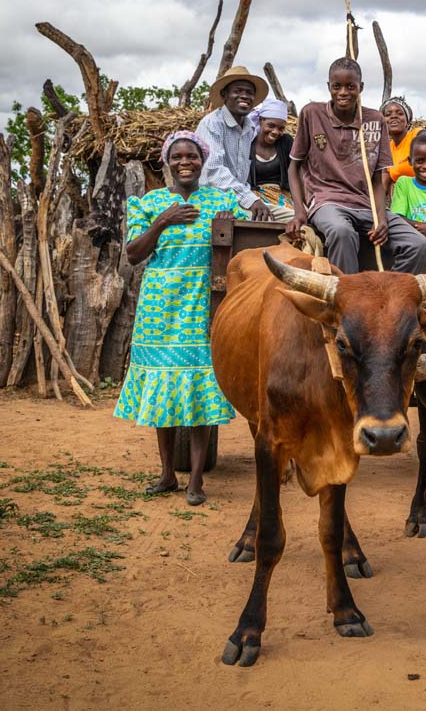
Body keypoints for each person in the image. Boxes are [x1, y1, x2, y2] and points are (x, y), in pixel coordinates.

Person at [114, 131, 246, 507]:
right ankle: (167, 474)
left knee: (200, 390)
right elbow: (134, 254)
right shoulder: (148, 203)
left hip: (203, 304)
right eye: (177, 157)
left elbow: (244, 240)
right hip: (159, 308)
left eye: (192, 156)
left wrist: (241, 218)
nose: (185, 162)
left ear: (202, 161)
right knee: (164, 391)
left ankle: (197, 481)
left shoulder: (222, 201)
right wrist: (164, 220)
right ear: (166, 162)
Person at [287, 58, 426, 274]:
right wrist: (299, 211)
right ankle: (347, 301)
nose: (343, 92)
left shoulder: (374, 119)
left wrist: (381, 218)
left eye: (350, 86)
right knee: (342, 232)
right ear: (329, 87)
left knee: (418, 244)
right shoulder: (312, 113)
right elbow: (293, 167)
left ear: (360, 87)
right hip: (327, 202)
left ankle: (389, 298)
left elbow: (378, 178)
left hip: (366, 205)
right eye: (337, 87)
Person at [248, 99, 325, 255]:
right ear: (261, 121)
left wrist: (306, 205)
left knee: (304, 221)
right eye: (270, 126)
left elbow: (297, 173)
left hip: (283, 195)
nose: (276, 132)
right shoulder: (247, 141)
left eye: (280, 128)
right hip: (256, 197)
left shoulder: (286, 142)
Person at [195, 66, 273, 221]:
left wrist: (251, 198)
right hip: (213, 199)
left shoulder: (250, 127)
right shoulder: (212, 123)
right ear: (224, 95)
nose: (244, 96)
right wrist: (251, 200)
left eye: (249, 93)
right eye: (237, 91)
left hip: (239, 199)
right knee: (267, 222)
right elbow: (214, 171)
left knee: (294, 219)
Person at [382, 96, 418, 182]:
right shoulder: (387, 151)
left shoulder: (416, 135)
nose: (393, 116)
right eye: (388, 114)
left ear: (408, 121)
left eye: (400, 113)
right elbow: (383, 186)